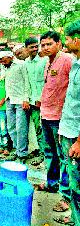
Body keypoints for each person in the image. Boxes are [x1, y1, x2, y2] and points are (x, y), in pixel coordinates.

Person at [36, 31, 73, 214]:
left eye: (49, 44)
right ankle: (52, 183)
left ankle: (66, 196)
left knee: (65, 157)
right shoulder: (47, 62)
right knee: (49, 152)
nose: (45, 48)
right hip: (46, 114)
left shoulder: (67, 60)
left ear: (58, 43)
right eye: (43, 45)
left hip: (61, 117)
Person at [57, 19, 80, 226]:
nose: (66, 43)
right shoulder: (76, 64)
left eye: (68, 39)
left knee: (78, 184)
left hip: (77, 136)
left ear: (77, 40)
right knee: (74, 182)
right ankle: (74, 217)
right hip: (69, 131)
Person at [0, 48, 30, 163]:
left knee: (21, 128)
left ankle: (22, 154)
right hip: (9, 99)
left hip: (21, 100)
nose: (1, 62)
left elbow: (27, 81)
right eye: (0, 60)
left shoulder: (21, 64)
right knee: (11, 127)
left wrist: (26, 99)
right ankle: (17, 150)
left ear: (10, 56)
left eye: (3, 59)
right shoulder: (4, 67)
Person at [24, 37, 49, 166]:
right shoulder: (25, 63)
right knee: (36, 129)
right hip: (31, 102)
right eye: (31, 47)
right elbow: (26, 83)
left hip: (43, 102)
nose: (34, 49)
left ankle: (46, 154)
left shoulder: (45, 61)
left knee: (44, 129)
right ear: (26, 49)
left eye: (36, 46)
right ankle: (40, 152)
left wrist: (41, 98)